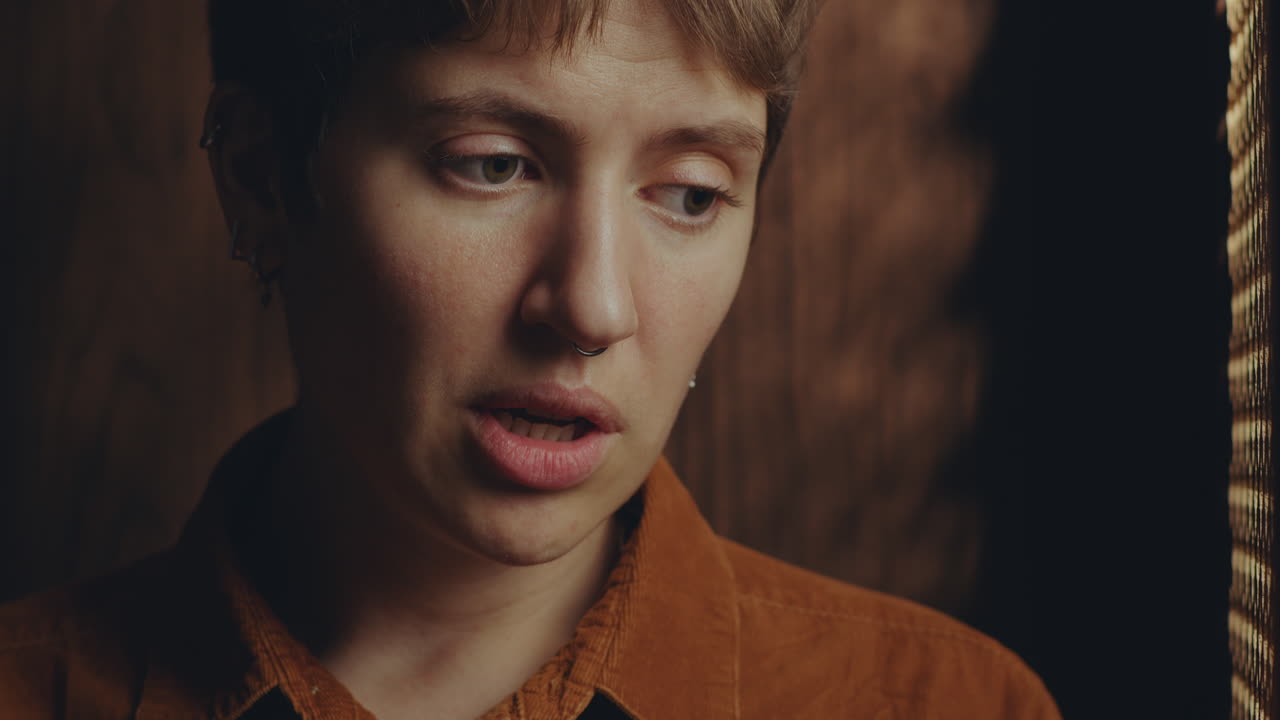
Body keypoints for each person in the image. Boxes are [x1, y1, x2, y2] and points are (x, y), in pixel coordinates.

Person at [0, 1, 1060, 717]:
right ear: (262, 176)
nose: (592, 307)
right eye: (492, 165)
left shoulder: (941, 704)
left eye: (689, 192)